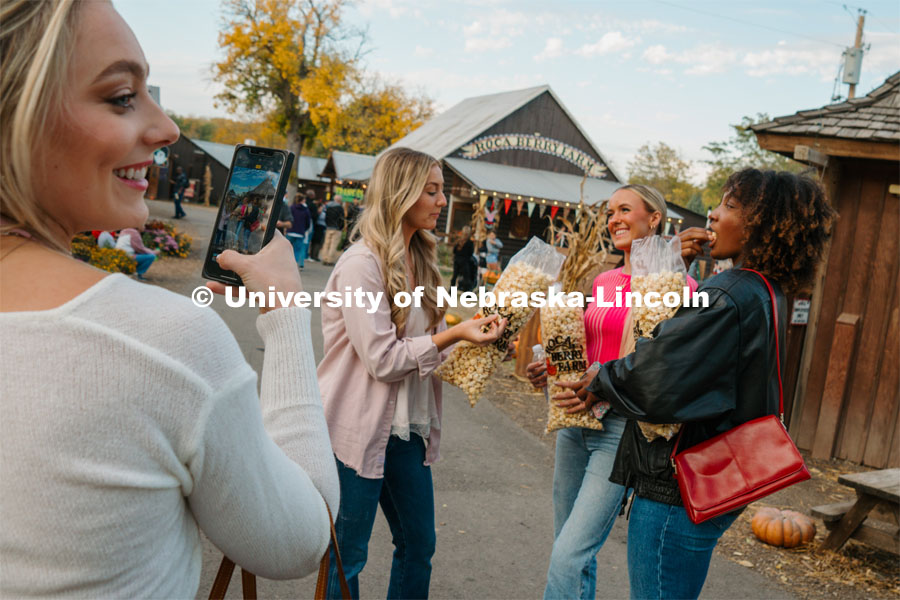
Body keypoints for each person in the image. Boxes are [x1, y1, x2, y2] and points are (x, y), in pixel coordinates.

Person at [0, 1, 339, 596]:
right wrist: (286, 314)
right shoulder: (158, 343)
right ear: (15, 115)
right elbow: (303, 537)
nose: (166, 128)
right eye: (122, 96)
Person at [558, 169, 835, 599]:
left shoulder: (727, 294)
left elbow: (662, 375)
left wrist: (603, 376)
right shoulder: (765, 291)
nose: (712, 212)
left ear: (757, 223)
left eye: (728, 205)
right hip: (724, 468)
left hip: (679, 482)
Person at [317, 147, 507, 599]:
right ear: (400, 193)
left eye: (442, 191)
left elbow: (433, 354)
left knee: (419, 546)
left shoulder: (421, 259)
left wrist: (486, 337)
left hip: (407, 433)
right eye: (432, 191)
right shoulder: (362, 265)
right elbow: (383, 360)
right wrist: (455, 334)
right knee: (348, 555)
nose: (442, 201)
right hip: (356, 430)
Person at [527, 185, 700, 600]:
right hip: (574, 421)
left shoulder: (678, 286)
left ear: (653, 219)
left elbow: (662, 365)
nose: (614, 219)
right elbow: (588, 347)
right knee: (566, 545)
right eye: (610, 212)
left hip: (620, 429)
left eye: (625, 209)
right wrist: (548, 368)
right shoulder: (605, 280)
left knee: (570, 552)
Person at [287, 192, 312, 269]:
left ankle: (286, 264)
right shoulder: (306, 210)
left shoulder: (291, 207)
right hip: (300, 232)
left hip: (290, 231)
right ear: (303, 200)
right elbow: (308, 222)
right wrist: (304, 229)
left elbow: (288, 218)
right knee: (297, 250)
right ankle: (293, 265)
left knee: (287, 249)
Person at [322, 194, 345, 265]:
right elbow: (341, 219)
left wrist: (327, 224)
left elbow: (325, 217)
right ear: (339, 200)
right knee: (333, 245)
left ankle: (324, 258)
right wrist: (341, 227)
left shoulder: (328, 207)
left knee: (326, 244)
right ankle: (330, 260)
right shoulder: (340, 208)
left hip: (328, 227)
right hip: (336, 228)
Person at [450, 226, 475, 291]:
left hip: (457, 261)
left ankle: (451, 291)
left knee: (454, 276)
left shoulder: (459, 241)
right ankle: (467, 292)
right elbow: (471, 253)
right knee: (466, 277)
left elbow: (454, 251)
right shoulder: (470, 243)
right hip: (464, 262)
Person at [309, 190, 325, 262]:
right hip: (319, 228)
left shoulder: (318, 211)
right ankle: (314, 255)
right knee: (317, 242)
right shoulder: (320, 213)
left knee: (315, 242)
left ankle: (313, 255)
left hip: (316, 227)